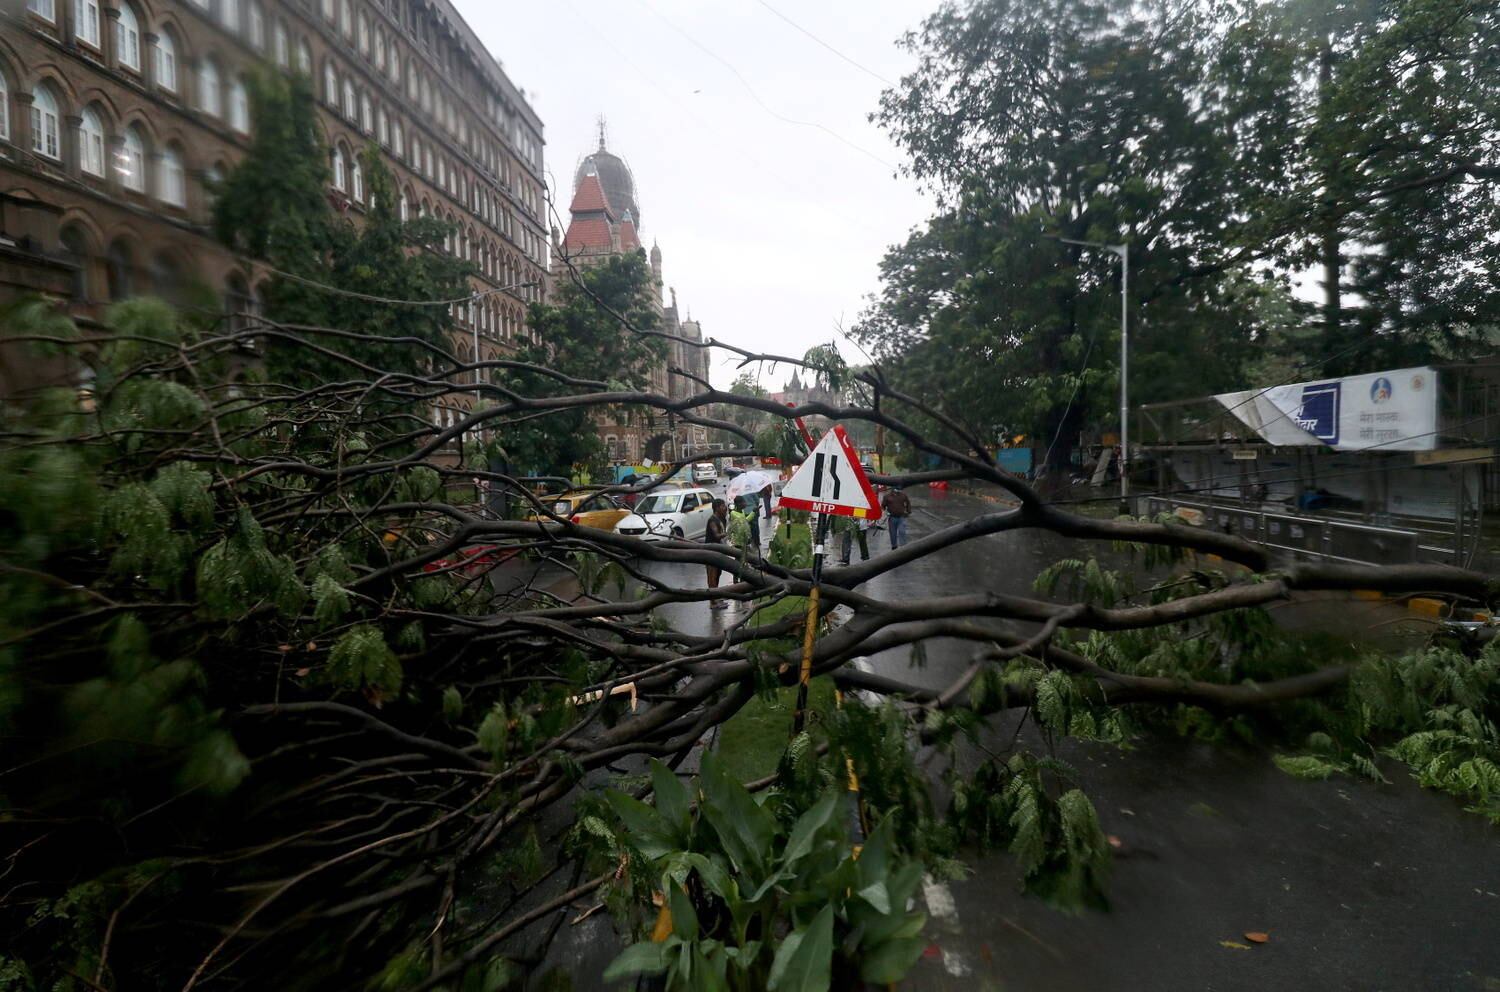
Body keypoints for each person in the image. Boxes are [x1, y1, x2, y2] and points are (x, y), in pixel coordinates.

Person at [704, 498, 730, 609]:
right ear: (717, 507)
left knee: (717, 574)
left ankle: (716, 597)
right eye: (723, 506)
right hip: (711, 553)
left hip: (719, 551)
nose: (726, 508)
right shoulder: (713, 520)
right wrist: (729, 532)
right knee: (712, 576)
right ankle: (713, 602)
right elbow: (716, 535)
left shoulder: (722, 518)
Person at [881, 485, 912, 550]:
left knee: (902, 531)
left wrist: (908, 511)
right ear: (893, 489)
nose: (898, 491)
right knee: (893, 533)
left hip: (901, 517)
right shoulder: (887, 496)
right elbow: (883, 506)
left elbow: (908, 503)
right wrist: (886, 512)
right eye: (896, 489)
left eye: (899, 489)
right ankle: (894, 546)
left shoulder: (903, 495)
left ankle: (903, 547)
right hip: (892, 518)